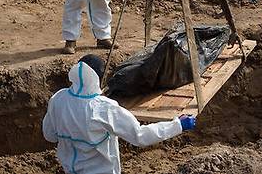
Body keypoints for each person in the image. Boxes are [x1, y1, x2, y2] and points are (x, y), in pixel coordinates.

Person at [42, 54, 195, 174]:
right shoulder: (104, 109)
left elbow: (49, 135)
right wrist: (178, 125)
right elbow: (140, 136)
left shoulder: (58, 98)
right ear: (100, 79)